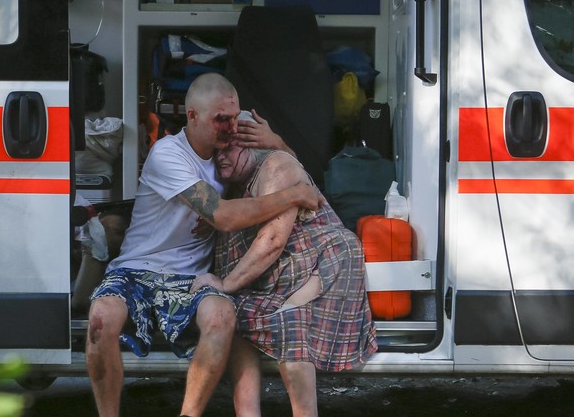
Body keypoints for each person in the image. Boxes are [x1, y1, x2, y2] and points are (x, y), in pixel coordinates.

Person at [85, 74, 321, 417]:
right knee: (100, 319)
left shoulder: (232, 144)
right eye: (220, 120)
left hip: (191, 276)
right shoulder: (168, 153)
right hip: (137, 269)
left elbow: (291, 170)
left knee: (223, 315)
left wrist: (276, 141)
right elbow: (222, 216)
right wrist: (292, 196)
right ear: (191, 116)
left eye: (234, 116)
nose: (230, 128)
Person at [192, 111, 379, 417]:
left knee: (290, 331)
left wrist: (224, 283)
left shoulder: (276, 166)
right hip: (279, 274)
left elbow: (272, 241)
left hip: (322, 264)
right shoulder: (239, 181)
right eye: (217, 151)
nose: (220, 157)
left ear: (252, 145)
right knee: (236, 320)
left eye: (229, 148)